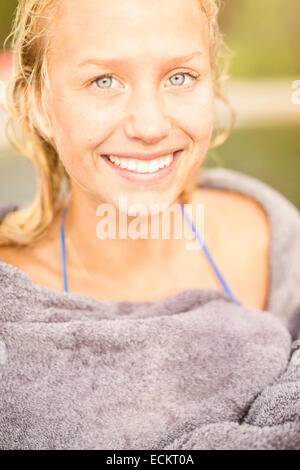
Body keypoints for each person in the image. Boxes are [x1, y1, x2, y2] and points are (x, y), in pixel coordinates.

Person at [0, 0, 299, 450]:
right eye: (104, 81)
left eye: (180, 77)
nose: (150, 125)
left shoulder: (270, 234)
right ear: (38, 104)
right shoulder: (12, 309)